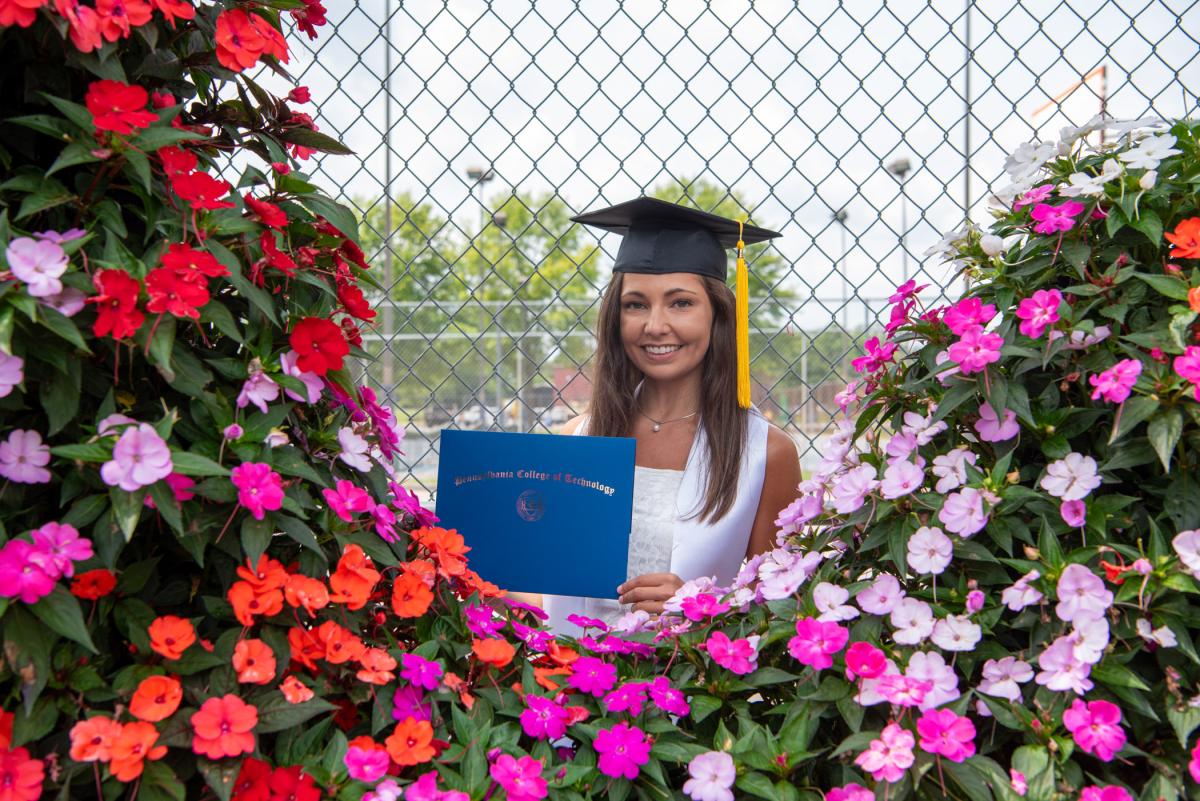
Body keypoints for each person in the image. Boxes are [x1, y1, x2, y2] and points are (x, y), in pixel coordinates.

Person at [533, 196, 803, 633]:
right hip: (571, 681)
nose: (655, 325)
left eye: (680, 303)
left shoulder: (765, 454)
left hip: (689, 685)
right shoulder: (578, 438)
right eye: (636, 304)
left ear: (717, 315)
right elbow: (540, 583)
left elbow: (777, 613)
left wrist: (699, 606)